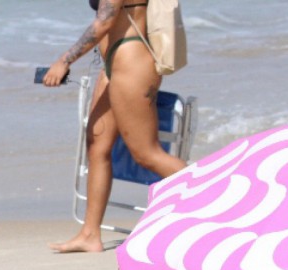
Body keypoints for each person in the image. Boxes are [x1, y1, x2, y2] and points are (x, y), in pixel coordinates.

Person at [45, 0, 186, 254]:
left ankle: (220, 200)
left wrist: (64, 60)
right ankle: (89, 234)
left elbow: (104, 22)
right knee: (97, 146)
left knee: (147, 154)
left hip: (132, 62)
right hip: (114, 63)